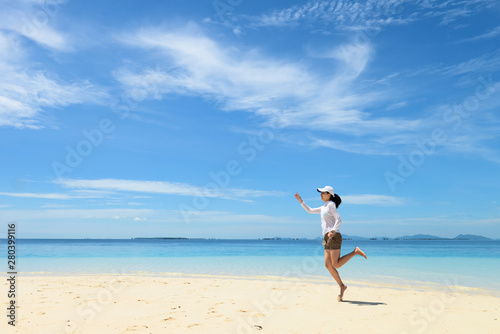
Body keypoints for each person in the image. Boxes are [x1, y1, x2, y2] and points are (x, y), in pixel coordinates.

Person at [295, 186, 367, 302]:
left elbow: (339, 219)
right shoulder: (324, 207)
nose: (321, 194)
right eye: (321, 192)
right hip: (327, 237)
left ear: (329, 194)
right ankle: (342, 286)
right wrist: (301, 201)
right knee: (328, 266)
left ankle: (355, 252)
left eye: (323, 192)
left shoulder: (331, 205)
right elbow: (310, 210)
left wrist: (333, 231)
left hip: (334, 236)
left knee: (336, 265)